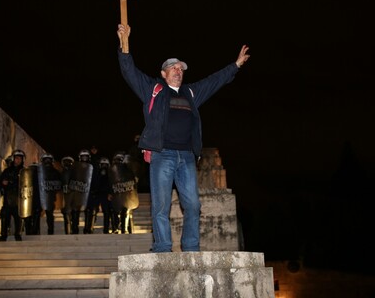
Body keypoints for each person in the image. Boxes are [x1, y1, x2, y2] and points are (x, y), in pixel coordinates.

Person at [116, 23, 250, 252]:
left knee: (193, 205)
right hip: (162, 155)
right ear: (163, 73)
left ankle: (191, 247)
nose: (178, 71)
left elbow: (213, 81)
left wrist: (235, 65)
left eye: (181, 68)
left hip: (187, 157)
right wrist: (124, 44)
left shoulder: (190, 93)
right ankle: (162, 247)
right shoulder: (153, 89)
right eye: (173, 68)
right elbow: (129, 72)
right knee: (161, 206)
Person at [0, 149, 25, 241]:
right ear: (14, 159)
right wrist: (3, 182)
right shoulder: (7, 170)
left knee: (18, 217)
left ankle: (18, 234)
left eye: (20, 159)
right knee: (5, 215)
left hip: (19, 198)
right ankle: (3, 235)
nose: (18, 160)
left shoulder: (25, 172)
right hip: (8, 197)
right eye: (16, 158)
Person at [84, 156, 114, 234]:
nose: (104, 166)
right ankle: (89, 229)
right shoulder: (96, 172)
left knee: (107, 212)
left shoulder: (111, 174)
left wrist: (110, 193)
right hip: (96, 194)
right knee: (92, 211)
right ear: (100, 165)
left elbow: (111, 184)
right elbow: (93, 182)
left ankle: (106, 230)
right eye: (102, 164)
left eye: (105, 164)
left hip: (106, 195)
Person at [38, 153, 62, 235]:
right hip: (39, 196)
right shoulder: (38, 171)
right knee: (37, 213)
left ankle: (50, 231)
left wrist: (53, 189)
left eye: (49, 160)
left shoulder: (56, 172)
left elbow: (59, 184)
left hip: (50, 196)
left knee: (49, 214)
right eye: (46, 160)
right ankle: (36, 231)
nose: (47, 162)